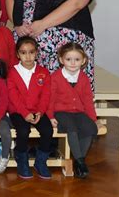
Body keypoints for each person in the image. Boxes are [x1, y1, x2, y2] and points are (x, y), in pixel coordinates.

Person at [48, 42, 98, 179]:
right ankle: (81, 163)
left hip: (78, 112)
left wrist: (93, 118)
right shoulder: (55, 77)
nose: (73, 63)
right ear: (61, 60)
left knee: (90, 128)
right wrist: (50, 116)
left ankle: (78, 160)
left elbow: (87, 99)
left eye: (77, 59)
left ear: (83, 61)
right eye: (68, 59)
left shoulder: (83, 78)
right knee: (72, 128)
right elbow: (50, 99)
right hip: (61, 112)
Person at [7, 36, 53, 179]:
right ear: (17, 54)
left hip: (37, 110)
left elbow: (46, 96)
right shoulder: (12, 72)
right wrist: (25, 113)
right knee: (22, 130)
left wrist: (39, 112)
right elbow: (13, 96)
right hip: (17, 111)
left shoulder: (43, 72)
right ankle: (22, 160)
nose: (28, 56)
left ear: (37, 53)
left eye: (31, 52)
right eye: (23, 52)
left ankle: (40, 161)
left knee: (47, 130)